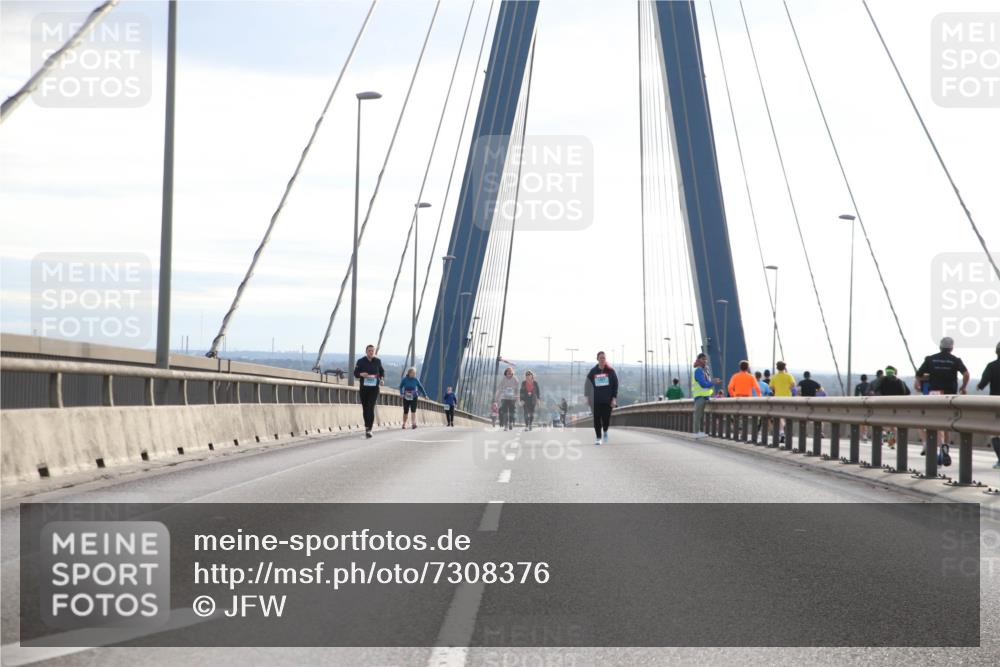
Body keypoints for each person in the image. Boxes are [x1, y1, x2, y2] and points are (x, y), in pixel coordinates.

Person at [916, 336, 970, 449]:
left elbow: (919, 375)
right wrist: (963, 387)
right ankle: (945, 446)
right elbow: (966, 374)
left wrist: (926, 378)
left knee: (932, 420)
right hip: (949, 395)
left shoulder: (930, 359)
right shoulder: (956, 360)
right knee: (947, 421)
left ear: (940, 347)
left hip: (934, 394)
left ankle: (931, 444)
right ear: (952, 348)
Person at [585, 351, 619, 445]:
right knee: (596, 419)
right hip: (595, 400)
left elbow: (615, 385)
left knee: (606, 419)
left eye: (604, 358)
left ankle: (605, 430)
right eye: (600, 358)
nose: (602, 359)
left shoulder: (611, 371)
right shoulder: (593, 371)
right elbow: (587, 384)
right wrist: (587, 397)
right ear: (597, 359)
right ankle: (598, 438)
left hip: (607, 400)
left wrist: (614, 398)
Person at [976, 342, 1000, 468]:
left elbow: (983, 383)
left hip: (996, 403)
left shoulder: (991, 366)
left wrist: (978, 387)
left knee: (995, 433)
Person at [353, 344, 385, 438]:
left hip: (374, 388)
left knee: (370, 407)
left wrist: (382, 379)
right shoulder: (361, 361)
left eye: (372, 351)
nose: (371, 352)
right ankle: (367, 426)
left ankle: (369, 429)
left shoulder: (378, 361)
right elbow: (355, 373)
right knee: (365, 408)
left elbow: (382, 372)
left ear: (374, 352)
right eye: (369, 350)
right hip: (364, 388)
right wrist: (361, 374)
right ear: (366, 352)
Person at [878, 365, 910, 447]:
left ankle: (890, 439)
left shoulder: (882, 381)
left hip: (885, 404)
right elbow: (906, 392)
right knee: (893, 425)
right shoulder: (900, 381)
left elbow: (877, 390)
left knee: (887, 424)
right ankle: (891, 441)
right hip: (897, 405)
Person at [691, 353, 719, 436]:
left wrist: (712, 381)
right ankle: (696, 433)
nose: (705, 361)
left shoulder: (704, 370)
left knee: (700, 415)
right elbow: (703, 384)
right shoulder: (699, 370)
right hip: (700, 396)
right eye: (703, 359)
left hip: (703, 396)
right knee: (698, 415)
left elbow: (706, 382)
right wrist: (713, 382)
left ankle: (700, 432)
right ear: (699, 360)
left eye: (706, 359)